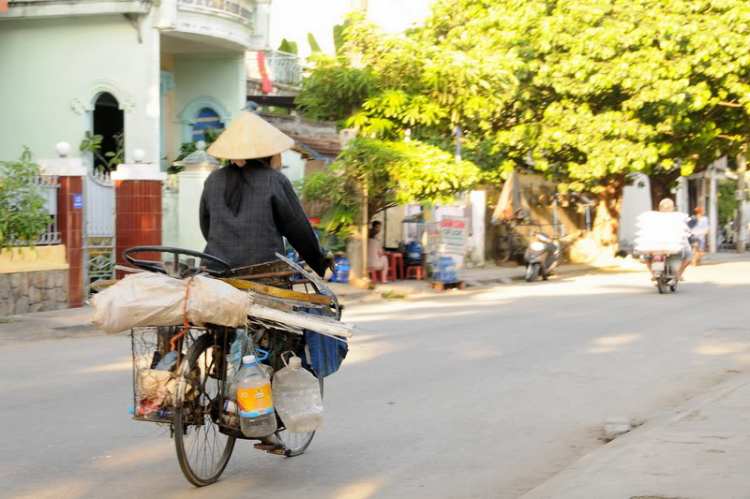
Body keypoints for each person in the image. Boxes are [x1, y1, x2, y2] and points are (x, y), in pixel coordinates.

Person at [200, 111, 333, 276]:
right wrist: (320, 262)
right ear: (269, 154)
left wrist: (228, 247)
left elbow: (207, 227)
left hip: (216, 270)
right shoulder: (275, 180)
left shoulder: (213, 179)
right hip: (264, 273)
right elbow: (298, 230)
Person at [643, 198, 691, 285]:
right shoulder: (678, 218)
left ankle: (653, 273)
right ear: (672, 208)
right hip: (672, 248)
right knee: (689, 255)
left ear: (660, 208)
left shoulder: (653, 218)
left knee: (645, 256)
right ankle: (679, 273)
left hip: (655, 247)